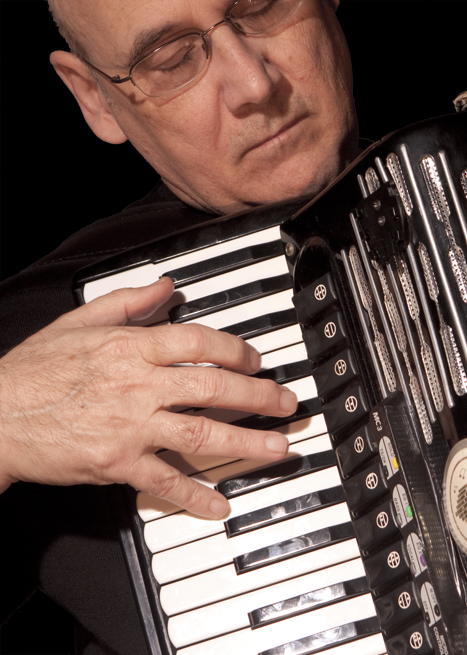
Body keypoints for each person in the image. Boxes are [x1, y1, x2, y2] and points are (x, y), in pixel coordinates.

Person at [0, 0, 362, 652]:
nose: (255, 84)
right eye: (170, 60)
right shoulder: (38, 333)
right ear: (97, 100)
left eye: (264, 5)